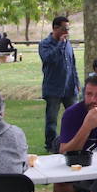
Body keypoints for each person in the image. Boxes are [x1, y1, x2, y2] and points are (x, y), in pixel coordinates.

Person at [39, 16, 79, 154]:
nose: (67, 32)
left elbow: (72, 64)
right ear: (55, 28)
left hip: (69, 87)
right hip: (53, 88)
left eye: (68, 29)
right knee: (52, 120)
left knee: (76, 115)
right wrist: (60, 44)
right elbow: (49, 59)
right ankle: (50, 146)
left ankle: (74, 142)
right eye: (64, 29)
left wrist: (76, 83)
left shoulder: (67, 43)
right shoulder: (45, 44)